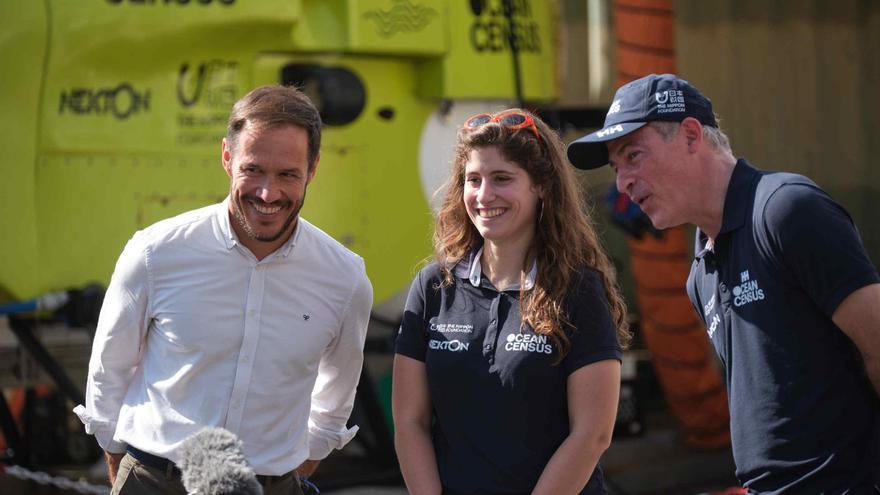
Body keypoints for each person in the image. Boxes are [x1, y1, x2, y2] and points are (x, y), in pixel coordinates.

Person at [567, 73, 880, 493]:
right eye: (616, 166)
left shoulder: (785, 210)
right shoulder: (701, 272)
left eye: (634, 156)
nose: (622, 182)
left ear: (692, 135)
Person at [73, 85, 373, 495]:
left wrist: (283, 475)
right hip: (154, 482)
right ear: (227, 158)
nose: (269, 193)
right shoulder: (155, 253)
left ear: (313, 168)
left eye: (288, 174)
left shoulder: (344, 278)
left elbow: (335, 400)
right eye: (253, 169)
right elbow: (109, 373)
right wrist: (125, 473)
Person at [393, 109, 629, 495]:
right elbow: (409, 421)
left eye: (502, 179)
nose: (484, 195)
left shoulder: (578, 289)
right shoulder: (434, 286)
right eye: (473, 180)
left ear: (541, 186)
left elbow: (592, 435)